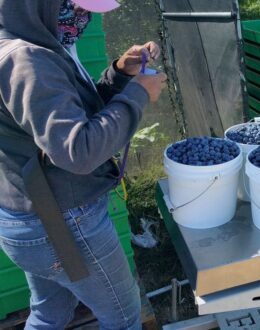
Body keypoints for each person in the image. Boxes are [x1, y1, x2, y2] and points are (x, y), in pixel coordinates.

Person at [0, 0, 166, 328]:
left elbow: (69, 120)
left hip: (31, 217)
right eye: (73, 7)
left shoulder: (24, 44)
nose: (81, 18)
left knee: (50, 313)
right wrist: (138, 95)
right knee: (124, 317)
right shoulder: (27, 60)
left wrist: (118, 73)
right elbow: (81, 151)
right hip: (63, 222)